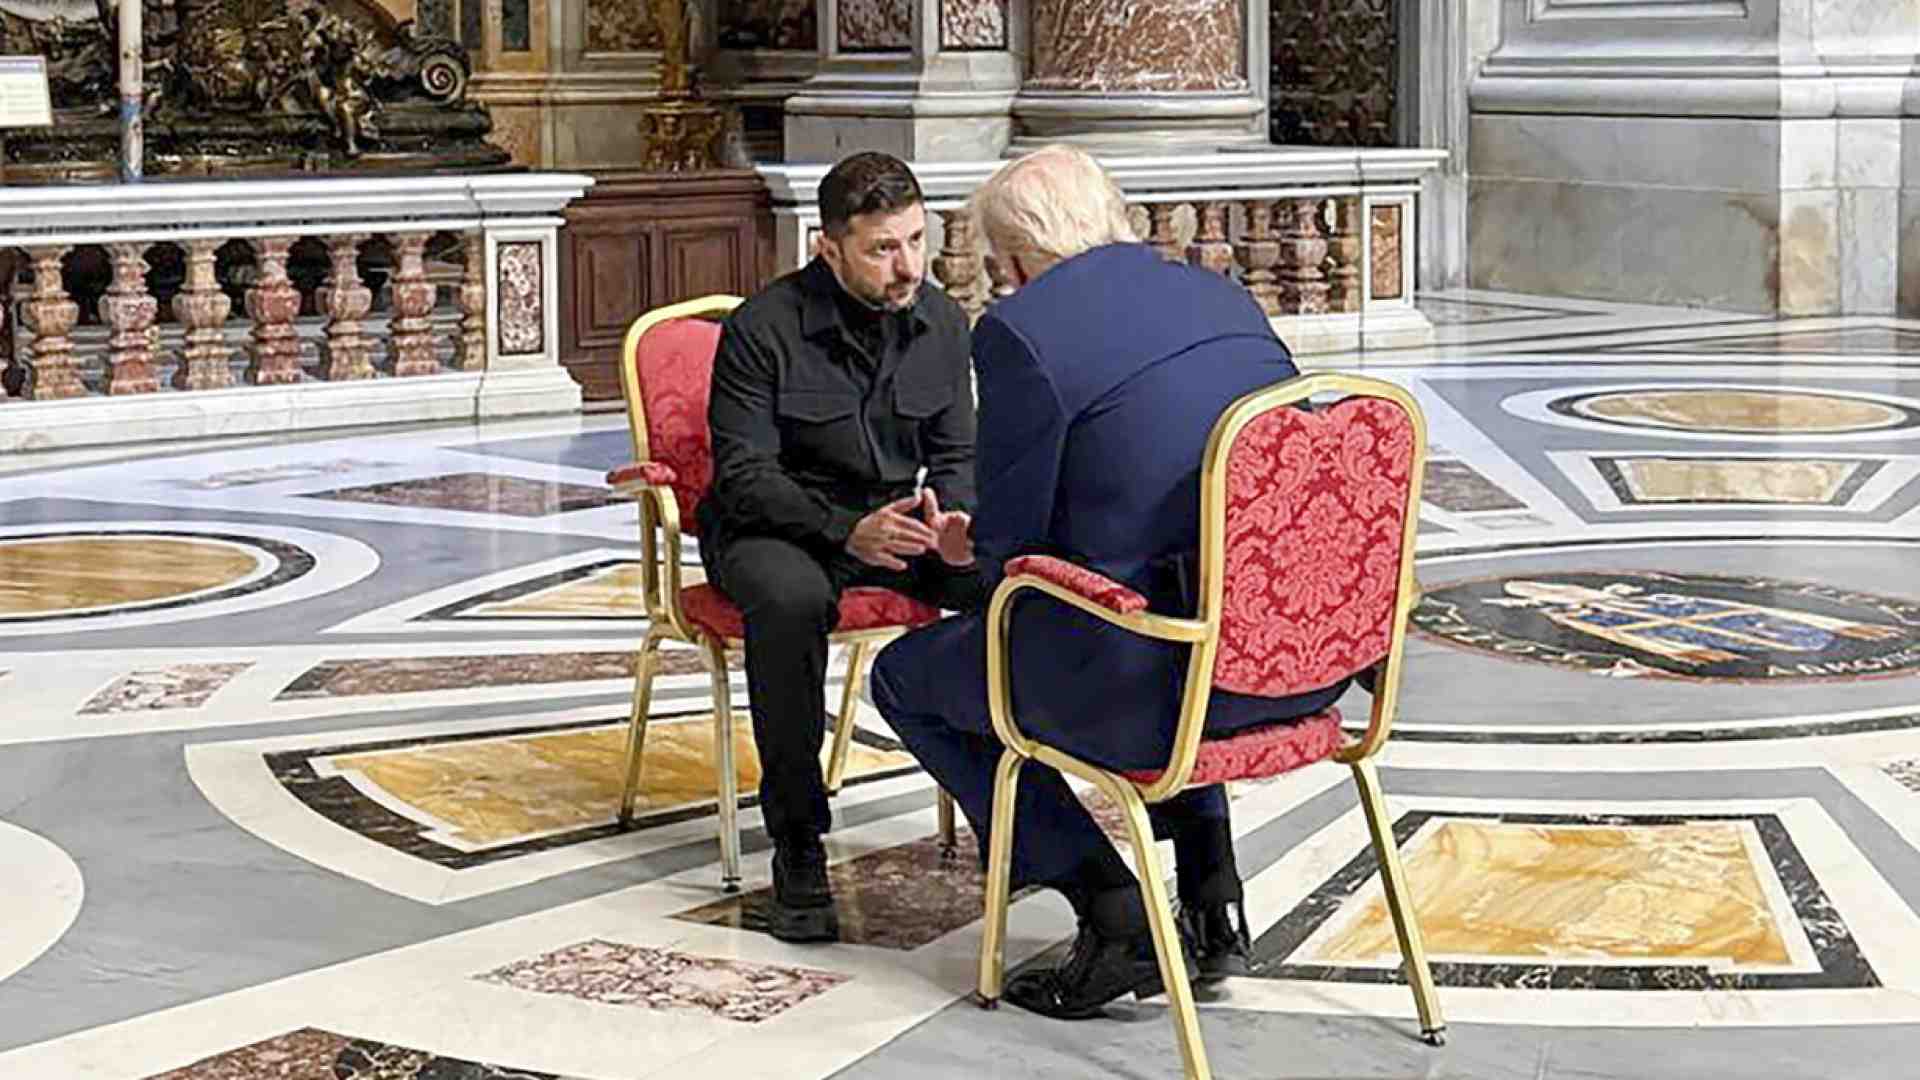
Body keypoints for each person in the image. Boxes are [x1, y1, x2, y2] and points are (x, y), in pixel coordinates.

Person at [869, 145, 1353, 1018]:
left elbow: (1013, 551)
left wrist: (958, 550)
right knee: (1186, 582)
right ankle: (1213, 893)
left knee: (908, 676)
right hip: (1292, 667)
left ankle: (1108, 903)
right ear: (1116, 216)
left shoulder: (1022, 331)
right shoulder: (1223, 294)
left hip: (1145, 696)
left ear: (1013, 260)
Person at [700, 151, 983, 944]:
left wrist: (955, 523)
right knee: (789, 604)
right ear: (827, 248)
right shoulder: (763, 328)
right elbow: (745, 474)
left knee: (1011, 581)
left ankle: (1013, 807)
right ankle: (797, 842)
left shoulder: (943, 322)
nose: (907, 267)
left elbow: (958, 455)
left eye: (917, 241)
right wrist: (841, 531)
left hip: (894, 522)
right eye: (882, 249)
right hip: (777, 527)